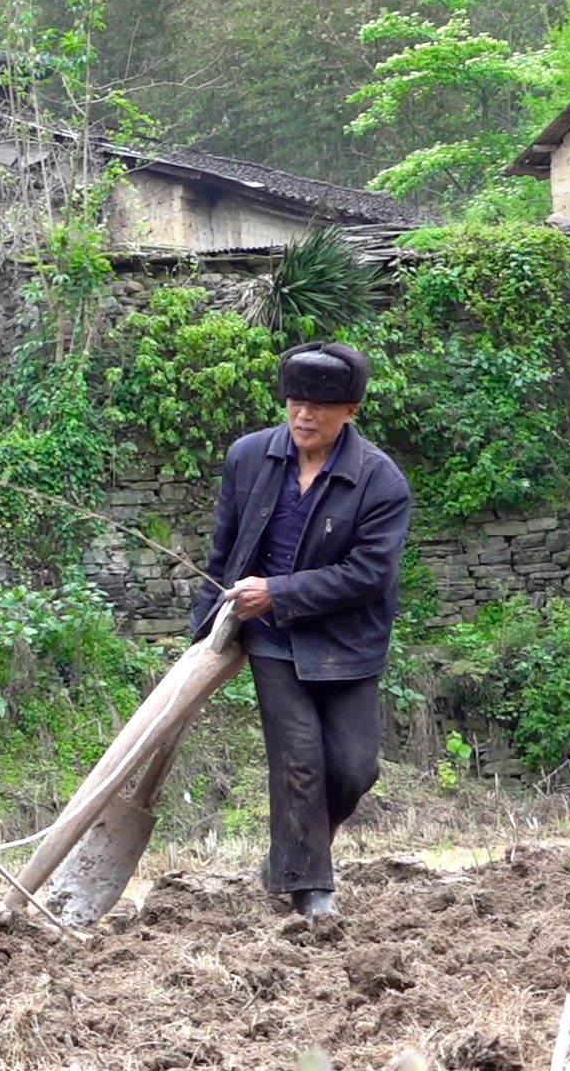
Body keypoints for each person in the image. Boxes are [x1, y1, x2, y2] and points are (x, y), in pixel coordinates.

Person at [191, 341, 412, 919]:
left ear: (350, 411)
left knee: (355, 768)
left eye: (320, 404)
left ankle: (291, 855)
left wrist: (280, 592)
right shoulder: (249, 457)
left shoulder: (379, 481)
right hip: (271, 638)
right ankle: (311, 888)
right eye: (295, 401)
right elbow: (226, 550)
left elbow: (368, 574)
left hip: (347, 643)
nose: (304, 416)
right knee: (300, 761)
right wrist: (202, 631)